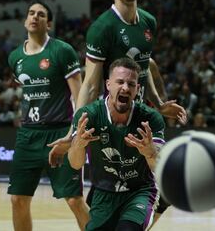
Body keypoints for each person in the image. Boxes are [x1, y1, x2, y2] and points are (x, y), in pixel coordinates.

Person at [49, 0, 186, 226]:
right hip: (113, 116)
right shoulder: (102, 28)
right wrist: (72, 133)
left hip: (140, 115)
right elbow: (90, 84)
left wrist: (158, 103)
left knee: (156, 182)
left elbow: (147, 64)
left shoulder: (148, 21)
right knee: (113, 184)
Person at [7, 1, 89, 231]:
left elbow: (79, 96)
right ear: (25, 21)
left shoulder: (62, 51)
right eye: (31, 13)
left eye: (41, 14)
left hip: (60, 132)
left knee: (74, 200)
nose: (35, 17)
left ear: (49, 23)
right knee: (17, 199)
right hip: (28, 134)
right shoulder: (15, 58)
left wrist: (72, 135)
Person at [68, 58, 166, 230]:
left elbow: (158, 168)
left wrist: (149, 152)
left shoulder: (150, 119)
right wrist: (78, 145)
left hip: (140, 191)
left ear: (137, 89)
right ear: (108, 85)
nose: (125, 88)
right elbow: (75, 163)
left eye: (131, 84)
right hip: (104, 193)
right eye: (120, 82)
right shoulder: (88, 116)